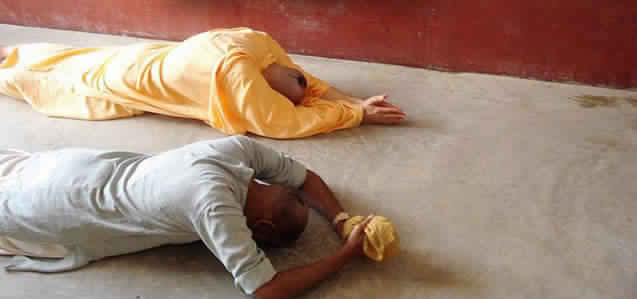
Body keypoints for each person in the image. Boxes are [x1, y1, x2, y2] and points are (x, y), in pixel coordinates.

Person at [0, 136, 374, 299]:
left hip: (70, 166)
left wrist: (342, 219)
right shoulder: (215, 209)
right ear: (262, 231)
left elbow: (304, 177)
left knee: (11, 170)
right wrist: (344, 255)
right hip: (56, 203)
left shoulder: (233, 148)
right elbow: (267, 290)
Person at [0, 28, 406, 139]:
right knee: (62, 83)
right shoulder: (239, 79)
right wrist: (355, 115)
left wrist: (353, 99)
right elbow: (285, 124)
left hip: (143, 58)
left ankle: (10, 50)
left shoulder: (260, 44)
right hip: (130, 79)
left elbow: (307, 82)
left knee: (71, 58)